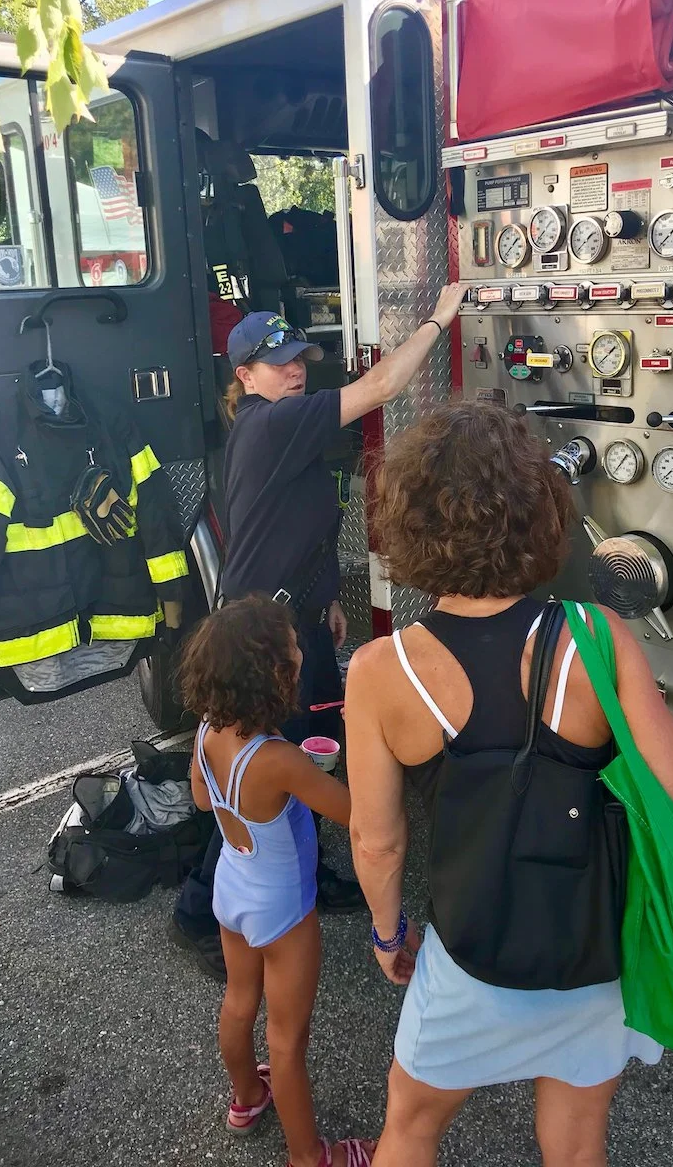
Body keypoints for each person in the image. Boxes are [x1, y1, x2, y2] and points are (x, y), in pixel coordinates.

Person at [345, 402, 673, 1167]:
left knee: (409, 1127)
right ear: (537, 511)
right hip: (589, 949)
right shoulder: (593, 635)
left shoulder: (382, 670)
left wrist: (386, 933)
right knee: (575, 1145)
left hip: (470, 952)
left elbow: (375, 839)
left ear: (408, 520)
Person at [171, 284, 467, 979]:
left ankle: (310, 870)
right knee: (259, 765)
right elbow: (384, 385)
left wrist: (325, 598)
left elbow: (296, 523)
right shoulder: (272, 422)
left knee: (309, 749)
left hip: (293, 614)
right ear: (243, 376)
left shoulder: (279, 421)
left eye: (299, 356)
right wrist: (437, 318)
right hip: (257, 632)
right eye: (277, 361)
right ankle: (197, 913)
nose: (295, 368)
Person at [180, 595, 375, 1167]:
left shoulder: (206, 731)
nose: (301, 649)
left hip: (231, 891)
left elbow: (199, 797)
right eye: (294, 647)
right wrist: (363, 744)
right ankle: (310, 1156)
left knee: (240, 1000)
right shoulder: (279, 759)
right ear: (274, 675)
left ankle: (245, 1098)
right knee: (288, 1041)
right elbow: (355, 814)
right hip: (283, 912)